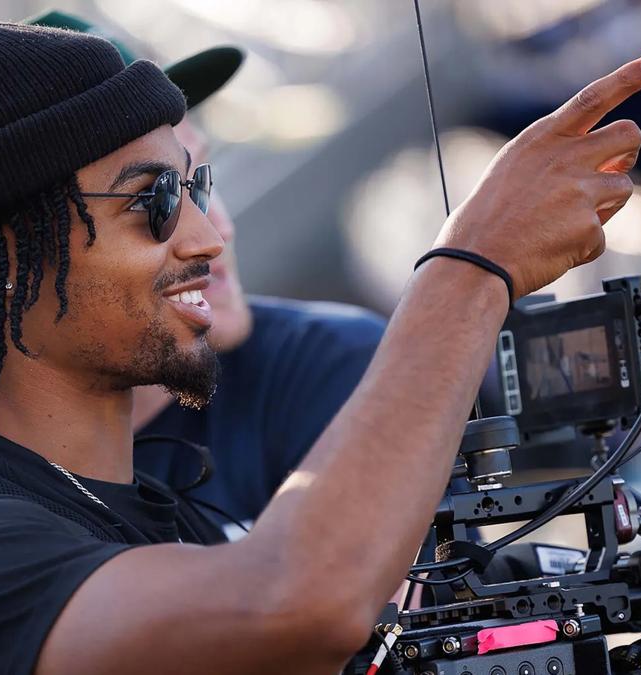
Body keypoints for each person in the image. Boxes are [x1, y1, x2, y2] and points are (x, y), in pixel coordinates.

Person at [0, 21, 641, 675]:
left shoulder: (180, 522)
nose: (203, 236)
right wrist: (473, 266)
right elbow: (299, 602)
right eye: (151, 202)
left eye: (198, 188)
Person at [28, 11, 387, 535]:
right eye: (156, 198)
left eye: (202, 182)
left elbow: (400, 609)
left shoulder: (326, 361)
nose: (216, 232)